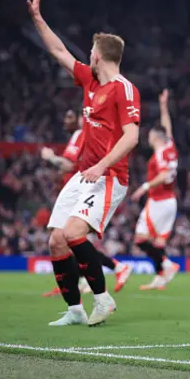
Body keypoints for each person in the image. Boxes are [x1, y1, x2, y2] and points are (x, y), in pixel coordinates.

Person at [28, 0, 140, 326]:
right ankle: (75, 310)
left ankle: (103, 300)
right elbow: (58, 50)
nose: (86, 54)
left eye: (91, 50)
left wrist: (101, 165)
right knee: (56, 240)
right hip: (83, 174)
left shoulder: (123, 88)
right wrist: (37, 18)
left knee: (75, 232)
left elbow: (132, 136)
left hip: (109, 176)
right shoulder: (90, 82)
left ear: (99, 55)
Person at [41, 110, 132, 298]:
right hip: (78, 189)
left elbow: (68, 165)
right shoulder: (88, 135)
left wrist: (49, 157)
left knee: (68, 238)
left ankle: (110, 270)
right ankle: (84, 279)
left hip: (82, 191)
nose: (65, 121)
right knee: (68, 240)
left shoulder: (81, 134)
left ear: (81, 119)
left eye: (70, 117)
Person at [130, 89, 180, 290]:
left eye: (150, 135)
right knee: (158, 243)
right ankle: (160, 276)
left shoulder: (160, 154)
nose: (148, 137)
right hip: (170, 201)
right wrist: (163, 106)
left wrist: (144, 187)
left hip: (158, 200)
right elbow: (167, 127)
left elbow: (163, 174)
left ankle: (167, 265)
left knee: (140, 240)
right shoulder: (170, 147)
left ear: (156, 138)